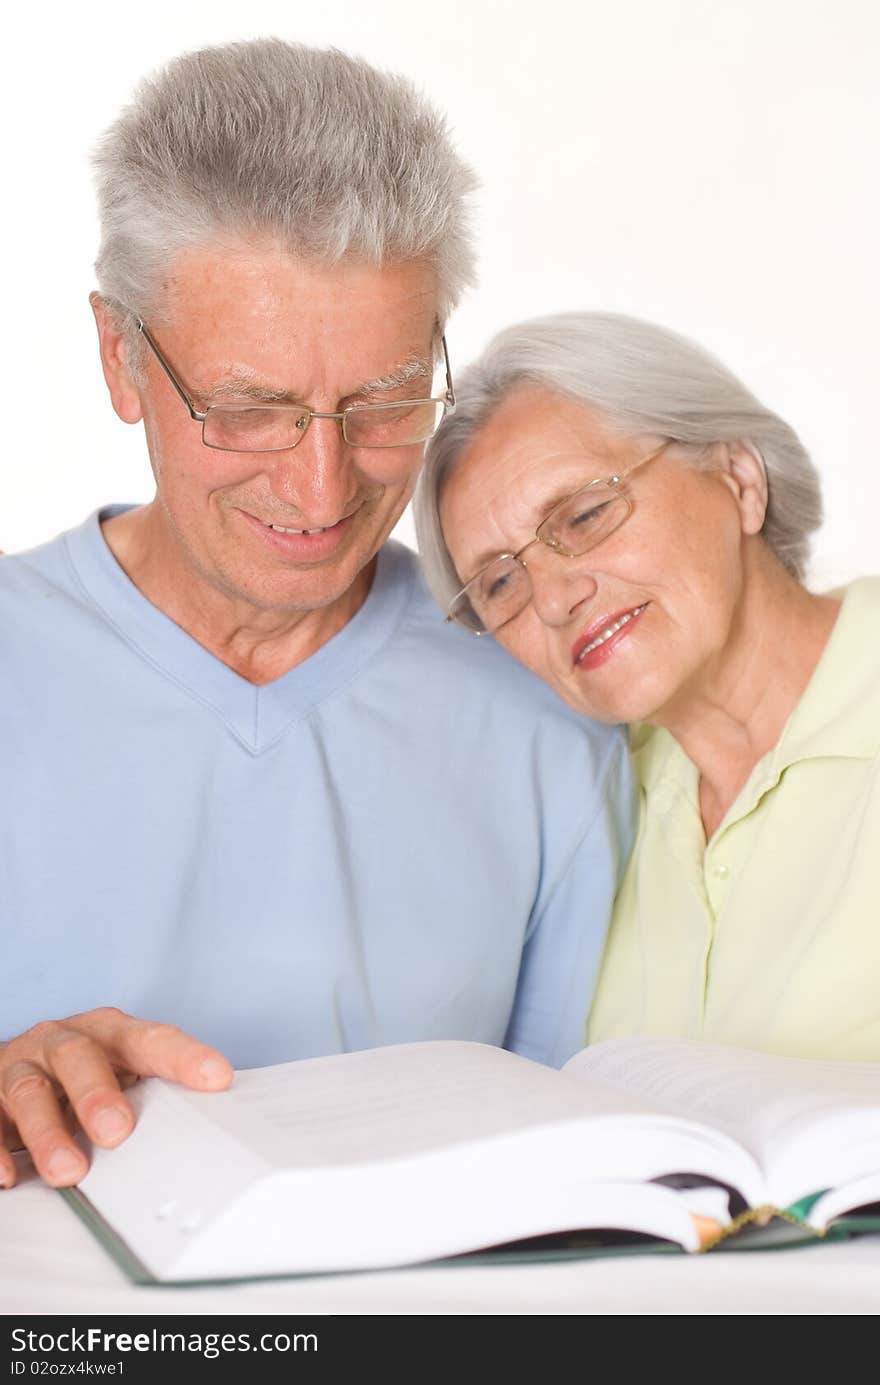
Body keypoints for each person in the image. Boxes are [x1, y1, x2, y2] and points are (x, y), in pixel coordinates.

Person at [0, 45, 633, 1190]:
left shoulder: (549, 705)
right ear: (118, 356)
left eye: (386, 401)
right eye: (250, 410)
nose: (324, 488)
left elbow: (582, 1180)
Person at [415, 310, 880, 1062]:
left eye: (586, 514)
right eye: (501, 582)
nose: (555, 597)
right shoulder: (591, 811)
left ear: (739, 476)